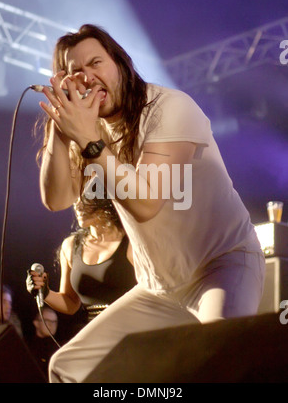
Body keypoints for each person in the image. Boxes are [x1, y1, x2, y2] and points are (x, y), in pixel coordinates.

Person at [36, 24, 265, 383]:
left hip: (222, 266)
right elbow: (56, 198)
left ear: (120, 65)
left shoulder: (170, 107)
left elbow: (146, 203)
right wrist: (59, 128)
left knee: (218, 354)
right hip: (160, 286)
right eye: (75, 71)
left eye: (96, 62)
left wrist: (89, 140)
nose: (87, 76)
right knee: (67, 368)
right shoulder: (89, 128)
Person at [26, 194, 136, 325]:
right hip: (95, 333)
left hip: (132, 327)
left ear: (106, 200)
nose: (78, 206)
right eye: (75, 200)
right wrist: (45, 292)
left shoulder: (133, 242)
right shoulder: (71, 246)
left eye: (85, 199)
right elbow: (71, 304)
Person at [25, 306, 59, 379]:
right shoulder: (28, 348)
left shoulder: (58, 347)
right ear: (36, 323)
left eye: (54, 322)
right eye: (47, 321)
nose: (51, 325)